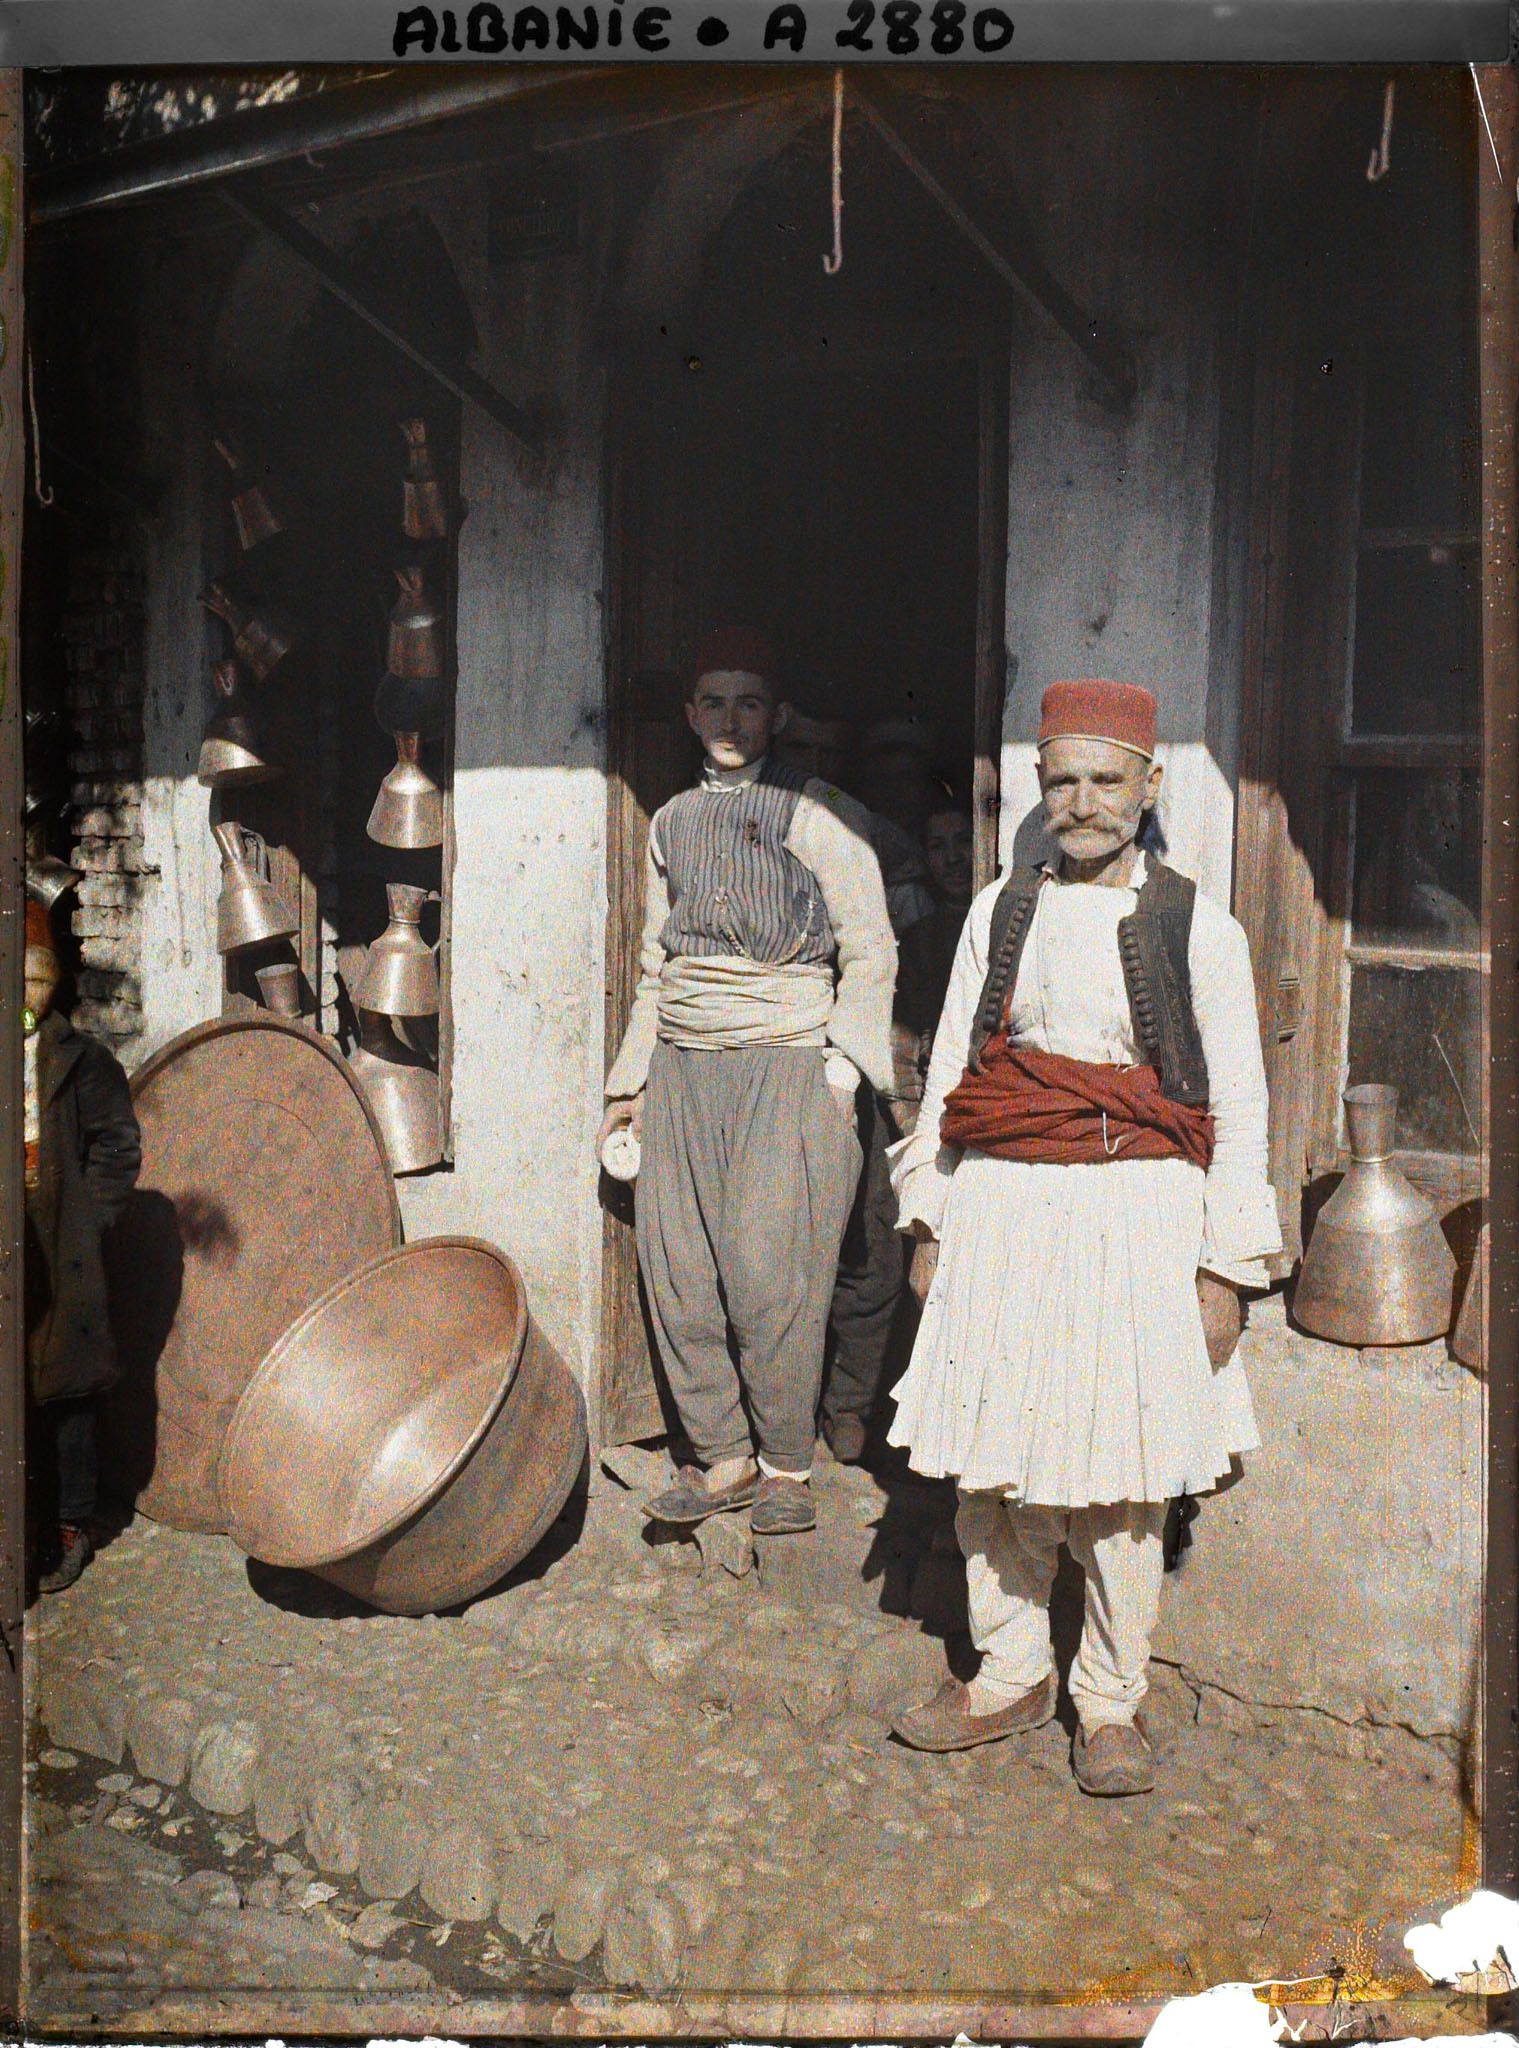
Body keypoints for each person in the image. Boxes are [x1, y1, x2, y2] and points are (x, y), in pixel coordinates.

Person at [885, 680, 1280, 1796]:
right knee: (993, 1463)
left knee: (1121, 1478)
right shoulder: (998, 914)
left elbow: (1238, 1107)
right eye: (1062, 780)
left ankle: (1108, 1700)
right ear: (1038, 787)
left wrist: (1222, 1270)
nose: (1083, 801)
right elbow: (952, 1077)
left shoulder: (1198, 927)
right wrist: (932, 1216)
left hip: (1136, 1218)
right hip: (1004, 1211)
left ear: (1148, 787)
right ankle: (1009, 1674)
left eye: (1107, 779)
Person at [597, 631, 896, 1534]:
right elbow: (655, 964)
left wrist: (840, 1071)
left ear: (778, 715)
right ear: (691, 715)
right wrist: (630, 1082)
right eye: (714, 703)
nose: (731, 721)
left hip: (786, 1059)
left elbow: (870, 949)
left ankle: (785, 1465)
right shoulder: (670, 821)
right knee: (681, 1270)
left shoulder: (821, 814)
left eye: (750, 703)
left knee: (772, 1276)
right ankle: (721, 1455)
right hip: (684, 1063)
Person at [23, 892, 142, 1594]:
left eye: (39, 980)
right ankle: (25, 1520)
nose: (27, 994)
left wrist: (86, 1220)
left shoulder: (83, 1060)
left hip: (61, 1239)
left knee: (67, 1390)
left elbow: (117, 1147)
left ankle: (71, 1524)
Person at [893, 795, 976, 1132]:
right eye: (939, 847)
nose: (953, 858)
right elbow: (903, 1043)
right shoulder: (920, 940)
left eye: (964, 841)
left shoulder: (1010, 921)